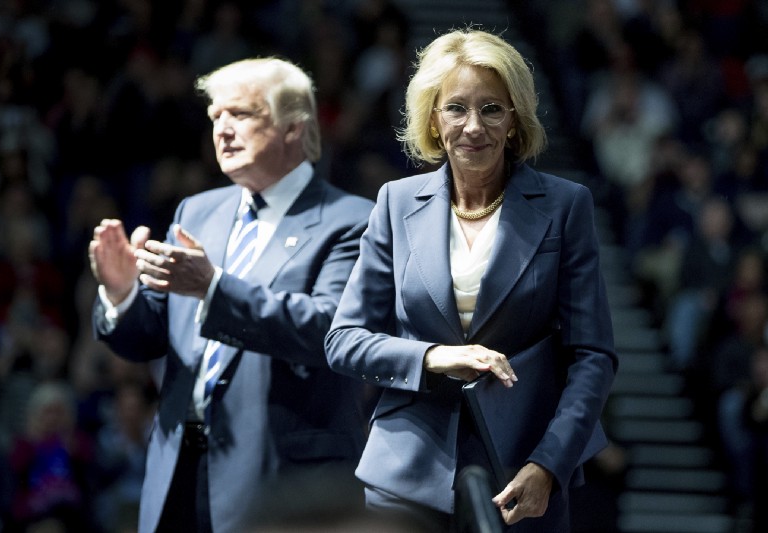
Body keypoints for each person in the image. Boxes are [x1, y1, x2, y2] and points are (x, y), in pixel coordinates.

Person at [325, 29, 618, 532]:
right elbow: (343, 342)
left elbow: (592, 355)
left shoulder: (566, 205)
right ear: (434, 120)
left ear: (514, 119)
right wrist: (434, 357)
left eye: (492, 109)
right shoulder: (395, 202)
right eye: (456, 108)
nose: (473, 126)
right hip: (406, 472)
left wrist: (550, 464)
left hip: (523, 472)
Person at [88, 57, 375, 533]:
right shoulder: (198, 211)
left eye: (240, 114)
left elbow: (331, 329)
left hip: (279, 481)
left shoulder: (352, 220)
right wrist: (121, 294)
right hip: (176, 471)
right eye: (215, 116)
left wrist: (214, 288)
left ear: (293, 128)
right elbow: (153, 335)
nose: (221, 130)